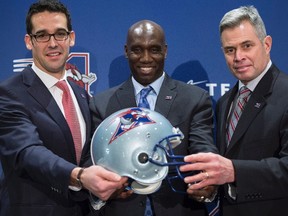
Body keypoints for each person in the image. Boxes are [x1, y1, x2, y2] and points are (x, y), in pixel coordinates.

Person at [0, 1, 126, 216]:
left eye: (60, 34)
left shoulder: (80, 94)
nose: (52, 43)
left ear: (71, 38)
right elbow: (26, 152)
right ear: (29, 42)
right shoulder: (10, 93)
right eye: (42, 35)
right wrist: (79, 176)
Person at [89, 20, 218, 216]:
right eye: (137, 50)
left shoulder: (194, 99)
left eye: (154, 50)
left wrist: (207, 180)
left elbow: (204, 152)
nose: (146, 58)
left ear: (165, 51)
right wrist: (102, 188)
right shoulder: (102, 104)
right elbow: (93, 162)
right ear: (126, 51)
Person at [180, 5, 288, 216]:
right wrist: (210, 187)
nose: (238, 56)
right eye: (230, 50)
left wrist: (234, 171)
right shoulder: (225, 102)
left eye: (247, 46)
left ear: (267, 44)